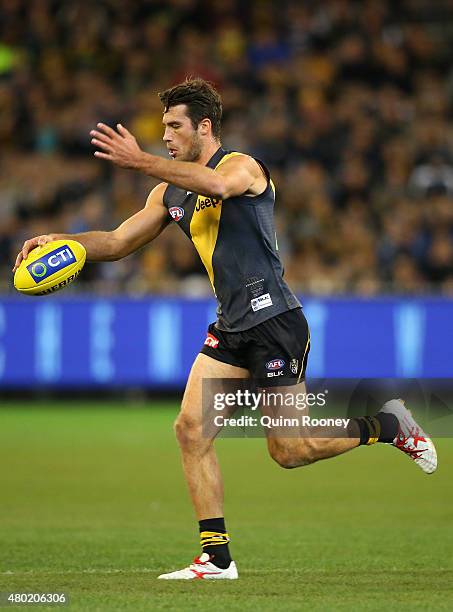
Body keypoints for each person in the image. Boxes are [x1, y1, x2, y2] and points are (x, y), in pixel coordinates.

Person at [13, 78, 437, 580]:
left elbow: (216, 187)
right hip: (232, 328)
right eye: (164, 126)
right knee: (190, 430)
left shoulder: (241, 167)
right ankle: (215, 557)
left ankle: (387, 427)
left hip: (275, 322)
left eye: (175, 126)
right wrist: (62, 240)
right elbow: (117, 241)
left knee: (290, 451)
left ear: (205, 127)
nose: (165, 135)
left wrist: (140, 160)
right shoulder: (169, 192)